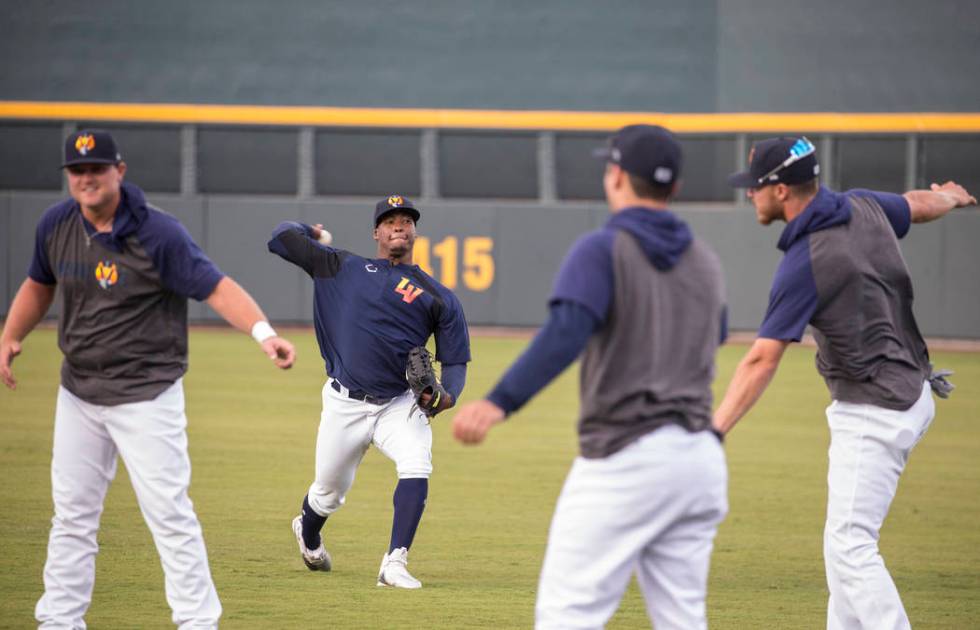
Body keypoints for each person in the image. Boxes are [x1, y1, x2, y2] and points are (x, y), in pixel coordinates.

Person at [0, 129, 296, 629]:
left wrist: (264, 333)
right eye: (77, 170)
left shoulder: (160, 233)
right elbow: (39, 283)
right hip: (79, 391)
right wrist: (11, 335)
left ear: (120, 170)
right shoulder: (56, 224)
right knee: (71, 517)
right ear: (69, 178)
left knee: (168, 514)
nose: (87, 178)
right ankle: (59, 621)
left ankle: (197, 622)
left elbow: (215, 286)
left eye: (96, 168)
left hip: (146, 395)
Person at [452, 125, 729, 629]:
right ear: (676, 188)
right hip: (699, 461)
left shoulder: (603, 248)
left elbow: (567, 332)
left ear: (617, 175)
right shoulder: (705, 262)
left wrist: (498, 402)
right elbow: (715, 336)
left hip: (626, 457)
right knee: (682, 620)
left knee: (566, 616)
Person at [714, 136, 976, 630]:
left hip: (877, 409)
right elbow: (918, 205)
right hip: (911, 389)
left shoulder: (806, 260)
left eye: (756, 187)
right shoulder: (862, 205)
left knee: (851, 546)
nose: (749, 194)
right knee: (843, 547)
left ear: (783, 190)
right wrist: (952, 198)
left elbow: (760, 360)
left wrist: (714, 431)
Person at [268, 194, 470, 589]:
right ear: (376, 232)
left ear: (414, 231)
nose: (399, 226)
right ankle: (308, 533)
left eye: (406, 220)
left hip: (399, 403)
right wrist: (312, 232)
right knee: (327, 494)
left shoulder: (439, 297)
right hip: (344, 402)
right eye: (390, 220)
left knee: (417, 462)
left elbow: (456, 361)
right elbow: (279, 237)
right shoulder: (340, 266)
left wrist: (447, 396)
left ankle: (393, 563)